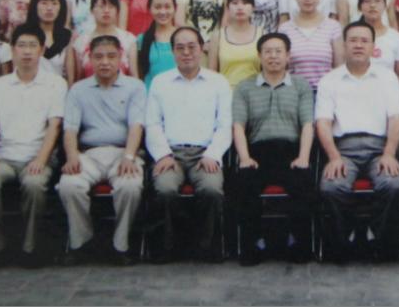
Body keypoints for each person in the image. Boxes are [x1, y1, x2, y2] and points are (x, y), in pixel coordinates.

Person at [0, 25, 66, 267]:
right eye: (21, 45)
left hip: (37, 156)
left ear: (42, 50)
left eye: (33, 46)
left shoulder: (56, 84)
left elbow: (54, 126)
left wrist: (41, 160)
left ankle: (30, 247)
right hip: (4, 157)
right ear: (12, 50)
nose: (27, 51)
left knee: (34, 184)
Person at [316, 22, 399, 263]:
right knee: (331, 187)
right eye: (353, 40)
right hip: (343, 150)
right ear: (344, 45)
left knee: (393, 183)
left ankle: (380, 242)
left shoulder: (387, 77)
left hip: (380, 149)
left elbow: (396, 117)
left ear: (373, 47)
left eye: (364, 41)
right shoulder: (330, 80)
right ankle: (345, 241)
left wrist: (389, 153)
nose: (358, 45)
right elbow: (323, 122)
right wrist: (334, 157)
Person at [144, 27, 232, 263]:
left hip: (205, 154)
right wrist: (163, 155)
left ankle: (206, 247)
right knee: (164, 189)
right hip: (170, 154)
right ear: (173, 51)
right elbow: (152, 123)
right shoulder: (160, 83)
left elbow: (225, 125)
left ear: (201, 48)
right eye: (180, 48)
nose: (186, 53)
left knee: (212, 190)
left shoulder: (218, 82)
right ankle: (166, 248)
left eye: (192, 47)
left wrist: (213, 154)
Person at [57, 35, 146, 265]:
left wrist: (129, 156)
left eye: (111, 56)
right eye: (98, 57)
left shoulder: (135, 87)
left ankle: (121, 245)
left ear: (121, 58)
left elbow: (136, 126)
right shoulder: (78, 90)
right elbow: (70, 129)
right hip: (89, 154)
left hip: (123, 152)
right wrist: (72, 156)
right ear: (90, 59)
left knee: (130, 186)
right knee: (69, 185)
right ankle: (82, 243)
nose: (105, 62)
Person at [232, 32, 315, 265]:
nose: (273, 56)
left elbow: (307, 124)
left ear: (288, 56)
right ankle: (252, 245)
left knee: (303, 181)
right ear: (259, 56)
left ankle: (298, 243)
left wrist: (303, 157)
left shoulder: (301, 86)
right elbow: (238, 126)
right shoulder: (245, 87)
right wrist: (244, 157)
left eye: (279, 51)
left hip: (291, 151)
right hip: (257, 152)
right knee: (244, 182)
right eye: (267, 51)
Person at [279, 0, 344, 89]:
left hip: (324, 92)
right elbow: (282, 68)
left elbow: (339, 66)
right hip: (294, 92)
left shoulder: (333, 27)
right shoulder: (284, 29)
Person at [70, 0, 137, 84]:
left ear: (117, 11)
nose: (106, 11)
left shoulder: (128, 39)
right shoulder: (81, 41)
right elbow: (79, 78)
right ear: (92, 10)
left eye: (111, 7)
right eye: (101, 6)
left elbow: (134, 76)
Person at [209, 0, 262, 89]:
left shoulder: (263, 34)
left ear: (253, 7)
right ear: (228, 8)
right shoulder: (217, 36)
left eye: (245, 3)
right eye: (235, 3)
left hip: (255, 93)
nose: (240, 7)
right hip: (226, 93)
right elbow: (212, 73)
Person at [131, 0, 179, 91]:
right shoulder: (141, 40)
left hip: (179, 96)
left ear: (175, 8)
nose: (163, 12)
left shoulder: (182, 37)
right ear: (149, 9)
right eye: (157, 7)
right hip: (152, 97)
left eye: (167, 7)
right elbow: (137, 76)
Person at [358, 0, 399, 81]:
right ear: (359, 6)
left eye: (377, 1)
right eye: (367, 1)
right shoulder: (351, 36)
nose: (372, 5)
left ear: (385, 5)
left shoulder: (396, 37)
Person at [25, 0, 74, 79]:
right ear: (35, 6)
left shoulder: (66, 36)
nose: (49, 8)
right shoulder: (25, 34)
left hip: (58, 86)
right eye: (44, 3)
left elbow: (70, 75)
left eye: (54, 3)